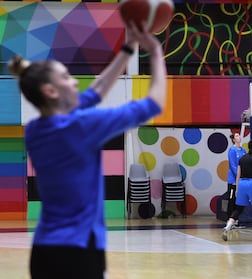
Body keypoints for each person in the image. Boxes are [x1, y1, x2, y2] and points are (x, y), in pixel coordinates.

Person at [8, 21, 167, 279]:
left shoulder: (35, 129)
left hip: (44, 250)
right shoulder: (81, 126)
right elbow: (154, 103)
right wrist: (157, 53)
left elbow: (97, 90)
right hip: (79, 251)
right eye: (67, 78)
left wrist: (128, 50)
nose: (74, 83)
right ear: (50, 91)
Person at [226, 133, 246, 220]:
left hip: (241, 180)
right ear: (234, 139)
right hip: (233, 180)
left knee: (239, 200)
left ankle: (236, 219)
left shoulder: (243, 150)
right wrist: (239, 175)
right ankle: (229, 219)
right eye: (237, 136)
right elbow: (233, 165)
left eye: (239, 136)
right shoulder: (232, 150)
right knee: (232, 200)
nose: (239, 137)